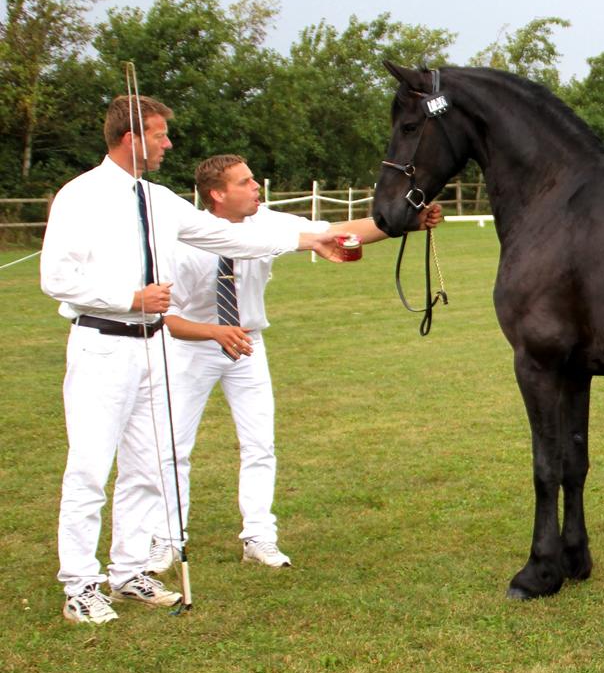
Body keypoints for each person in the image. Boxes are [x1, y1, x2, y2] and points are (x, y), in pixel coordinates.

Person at [40, 95, 342, 625]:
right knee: (90, 467)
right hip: (102, 343)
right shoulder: (80, 196)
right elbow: (56, 279)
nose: (168, 144)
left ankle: (129, 569)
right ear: (133, 139)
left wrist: (309, 242)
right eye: (159, 135)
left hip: (152, 347)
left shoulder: (157, 198)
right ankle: (81, 585)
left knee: (145, 465)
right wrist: (129, 299)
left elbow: (227, 235)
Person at [144, 154, 441, 575]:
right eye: (245, 183)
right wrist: (213, 332)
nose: (256, 188)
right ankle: (166, 539)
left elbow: (335, 231)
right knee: (174, 446)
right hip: (192, 347)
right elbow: (163, 317)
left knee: (259, 444)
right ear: (217, 194)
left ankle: (259, 536)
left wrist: (406, 222)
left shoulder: (265, 222)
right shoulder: (181, 239)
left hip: (248, 344)